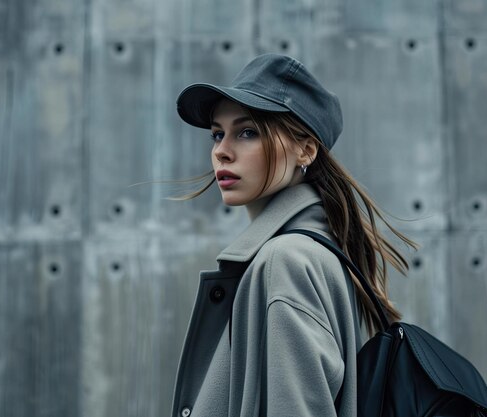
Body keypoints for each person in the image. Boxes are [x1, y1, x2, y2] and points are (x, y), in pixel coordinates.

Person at [171, 53, 418, 417]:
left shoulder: (287, 262)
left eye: (247, 132)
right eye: (218, 134)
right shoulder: (310, 252)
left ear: (306, 149)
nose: (221, 151)